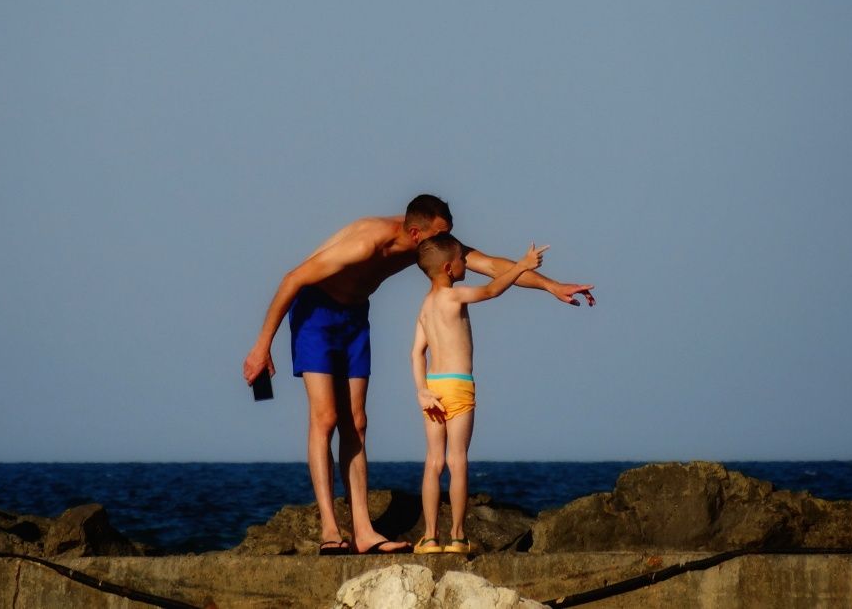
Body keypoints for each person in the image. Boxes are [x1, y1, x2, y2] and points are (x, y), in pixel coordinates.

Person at [241, 194, 593, 555]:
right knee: (326, 417)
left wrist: (552, 286)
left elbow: (490, 266)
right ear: (415, 233)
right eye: (439, 235)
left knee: (357, 421)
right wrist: (261, 346)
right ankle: (331, 529)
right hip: (316, 313)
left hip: (353, 318)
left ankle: (363, 530)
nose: (446, 244)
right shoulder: (366, 242)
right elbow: (293, 278)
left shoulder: (432, 245)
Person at [410, 233, 546, 554]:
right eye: (461, 259)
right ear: (448, 267)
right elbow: (492, 289)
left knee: (433, 462)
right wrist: (523, 265)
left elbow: (416, 353)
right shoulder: (452, 297)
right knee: (458, 461)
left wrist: (422, 391)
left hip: (433, 387)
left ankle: (430, 537)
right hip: (458, 384)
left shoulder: (425, 307)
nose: (465, 263)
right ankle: (457, 536)